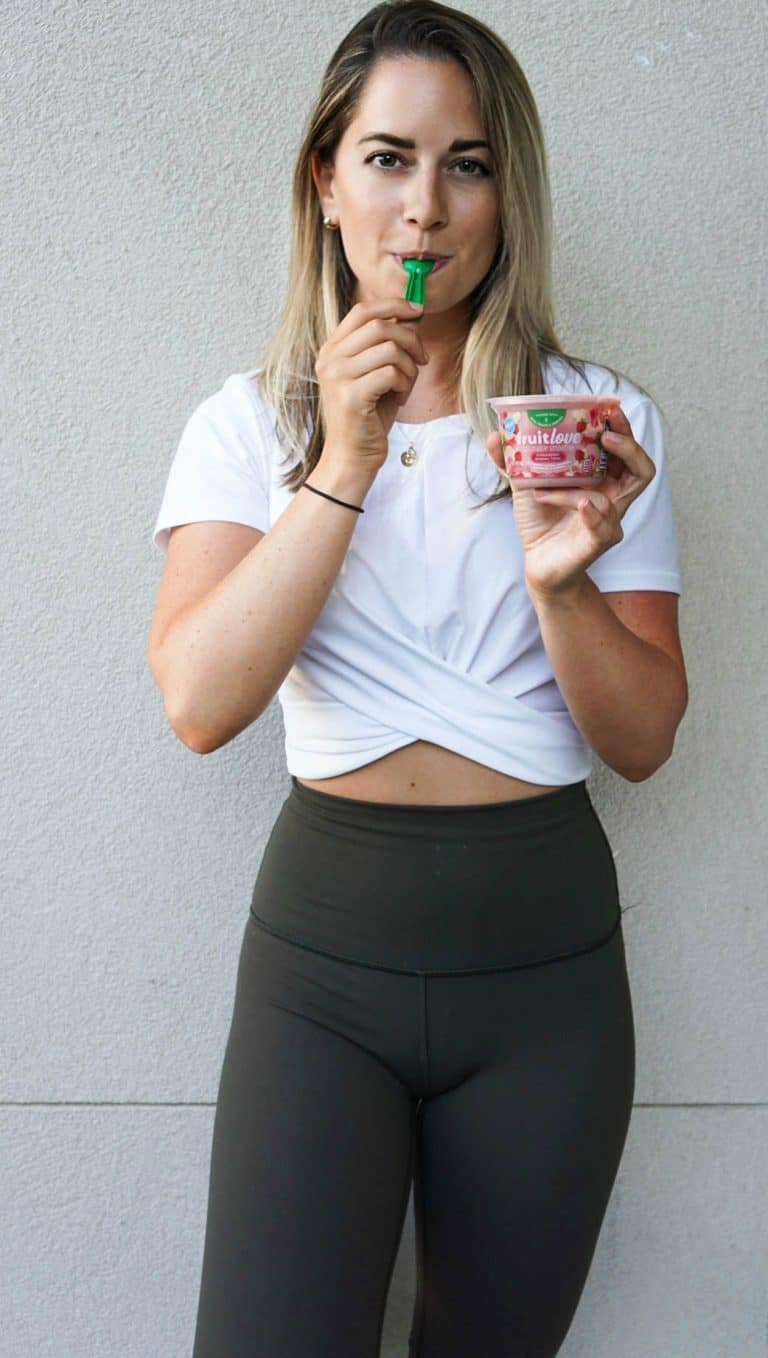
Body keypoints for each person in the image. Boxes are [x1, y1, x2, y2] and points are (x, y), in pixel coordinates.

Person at [147, 2, 688, 1353]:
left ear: (511, 195)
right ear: (325, 184)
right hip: (326, 962)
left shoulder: (585, 423)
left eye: (470, 163)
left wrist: (559, 571)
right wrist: (339, 458)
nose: (427, 208)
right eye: (389, 158)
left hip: (545, 975)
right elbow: (200, 703)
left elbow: (642, 739)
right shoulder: (246, 422)